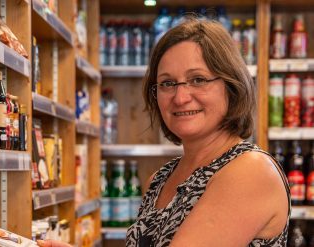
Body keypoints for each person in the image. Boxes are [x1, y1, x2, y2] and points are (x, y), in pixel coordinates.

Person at [38, 17, 290, 247]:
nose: (180, 97)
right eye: (168, 83)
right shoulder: (161, 179)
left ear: (231, 86)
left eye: (198, 79)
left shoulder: (250, 172)